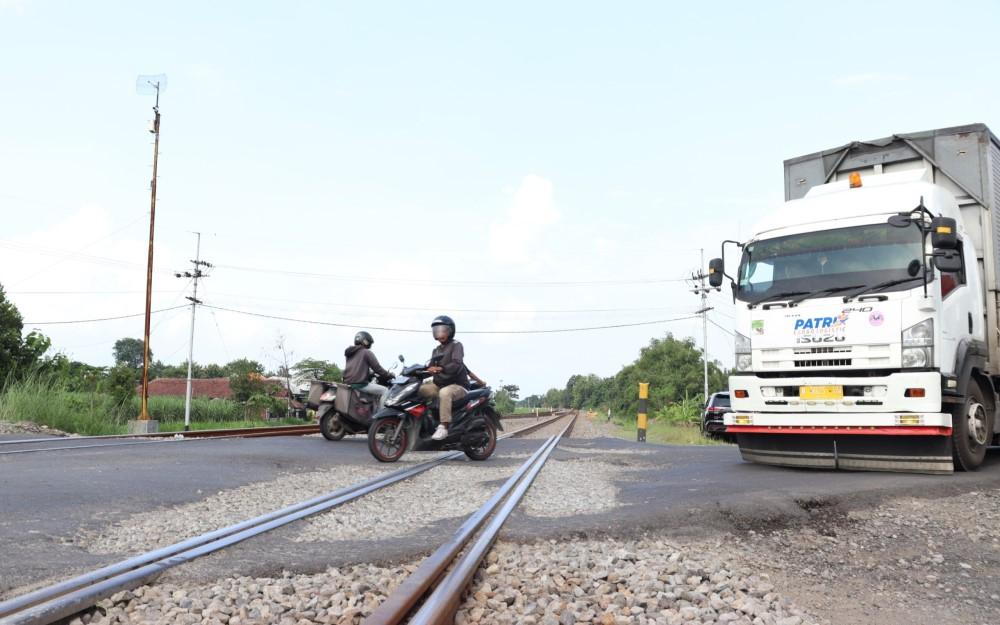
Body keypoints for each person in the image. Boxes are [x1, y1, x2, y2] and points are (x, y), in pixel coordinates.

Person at [420, 315, 470, 440]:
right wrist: (424, 370)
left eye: (442, 329)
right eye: (436, 329)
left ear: (450, 330)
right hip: (439, 384)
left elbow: (457, 364)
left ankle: (444, 427)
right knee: (420, 390)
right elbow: (430, 367)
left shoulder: (456, 345)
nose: (439, 332)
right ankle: (423, 421)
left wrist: (441, 368)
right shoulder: (436, 350)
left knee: (445, 393)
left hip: (458, 385)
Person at [343, 331, 391, 407]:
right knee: (385, 391)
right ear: (365, 341)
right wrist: (388, 375)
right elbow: (377, 368)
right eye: (369, 342)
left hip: (348, 383)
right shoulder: (366, 352)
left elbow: (356, 367)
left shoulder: (350, 353)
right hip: (360, 384)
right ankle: (381, 416)